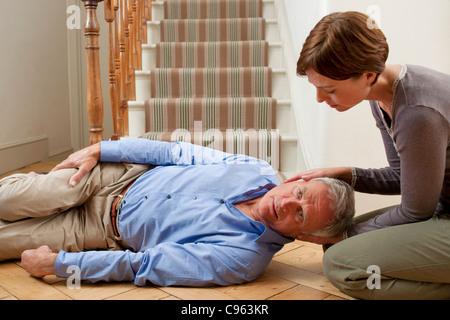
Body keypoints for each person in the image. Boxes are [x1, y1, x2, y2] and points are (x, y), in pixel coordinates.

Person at [0, 138, 355, 287]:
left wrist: (61, 266)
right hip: (109, 179)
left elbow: (147, 265)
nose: (286, 203)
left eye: (301, 215)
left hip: (98, 232)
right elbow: (176, 152)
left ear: (305, 237)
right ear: (299, 180)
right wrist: (102, 148)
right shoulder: (257, 169)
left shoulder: (245, 259)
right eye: (299, 192)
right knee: (9, 201)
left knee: (6, 242)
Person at [291, 11, 450, 299]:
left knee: (341, 263)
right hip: (441, 209)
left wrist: (348, 236)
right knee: (336, 244)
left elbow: (416, 211)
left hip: (439, 213)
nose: (320, 99)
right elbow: (405, 178)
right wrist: (345, 174)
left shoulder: (417, 113)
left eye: (329, 90)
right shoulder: (382, 95)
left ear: (367, 75)